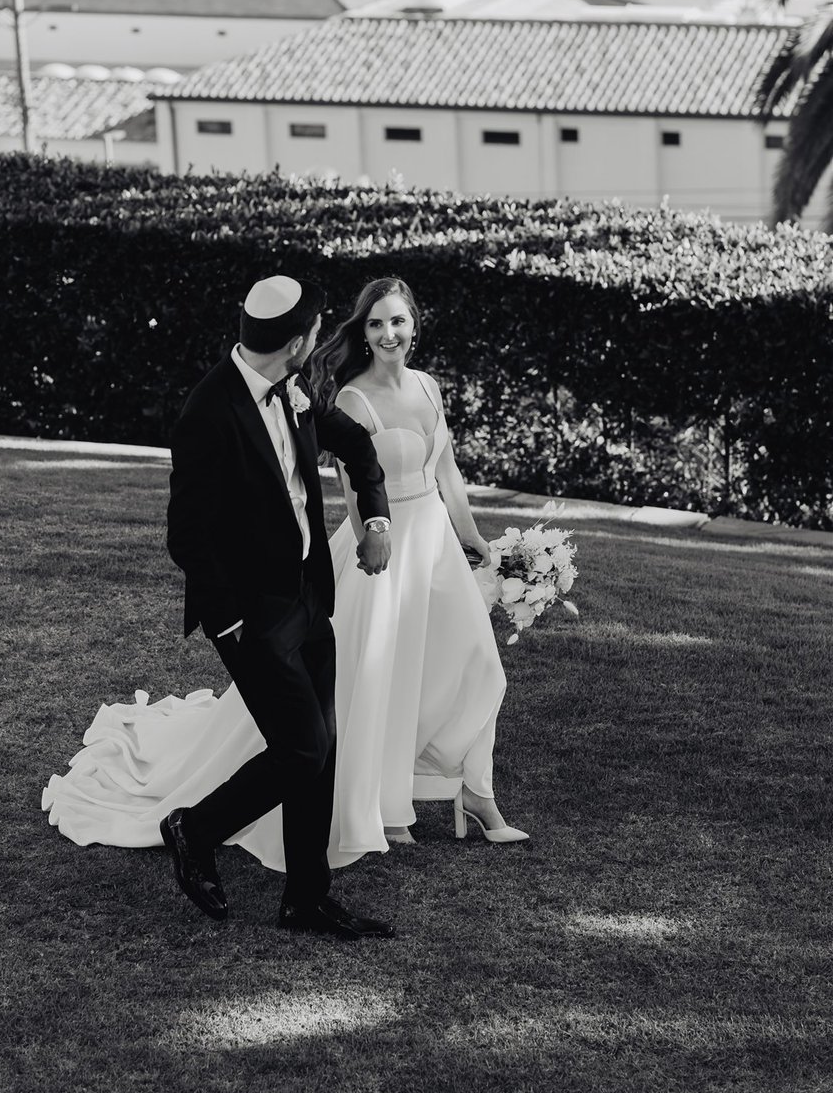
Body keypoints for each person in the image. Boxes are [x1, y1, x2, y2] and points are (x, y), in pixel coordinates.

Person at [43, 275, 396, 942]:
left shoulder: (294, 388)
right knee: (303, 748)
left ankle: (307, 899)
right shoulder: (208, 411)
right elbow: (189, 535)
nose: (319, 339)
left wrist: (375, 519)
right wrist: (231, 622)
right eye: (316, 331)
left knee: (320, 749)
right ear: (295, 342)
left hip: (310, 596)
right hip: (252, 617)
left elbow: (355, 444)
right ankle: (193, 828)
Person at [310, 276, 528, 852]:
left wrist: (473, 535)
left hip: (436, 545)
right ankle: (388, 808)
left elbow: (447, 470)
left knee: (479, 665)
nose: (388, 333)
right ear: (363, 331)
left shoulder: (429, 387)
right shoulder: (353, 398)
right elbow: (354, 488)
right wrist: (368, 546)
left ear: (414, 326)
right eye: (376, 323)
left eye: (397, 321)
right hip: (384, 550)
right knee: (390, 678)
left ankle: (473, 790)